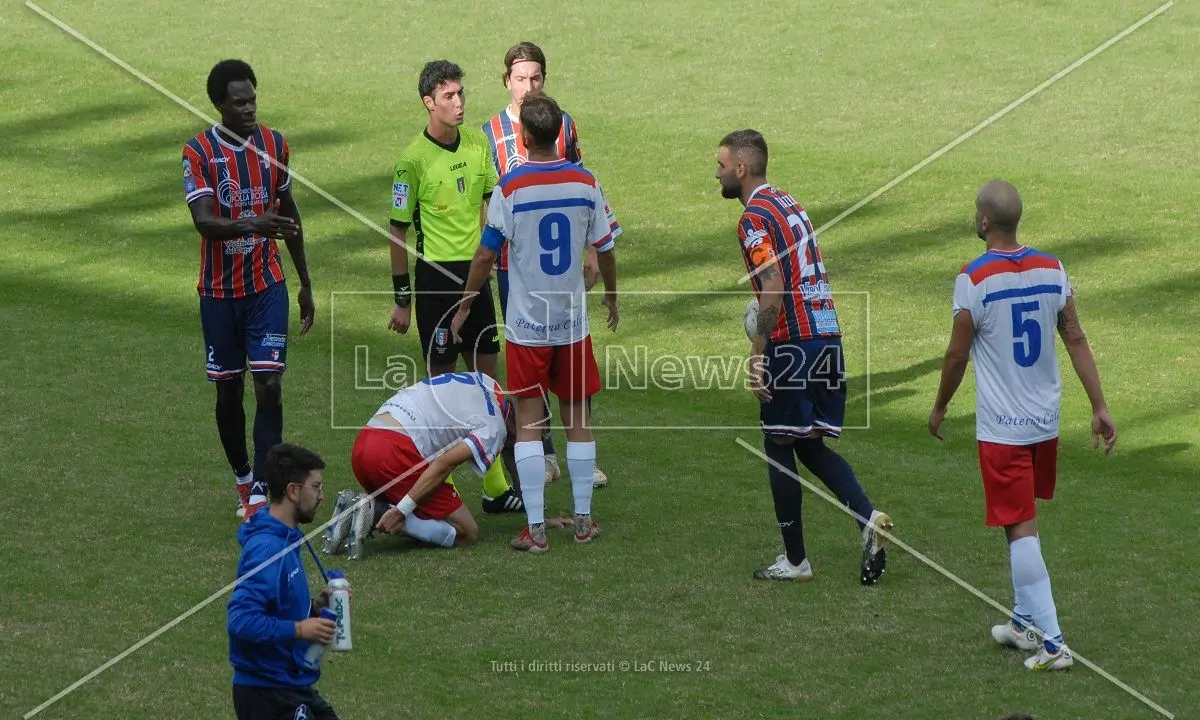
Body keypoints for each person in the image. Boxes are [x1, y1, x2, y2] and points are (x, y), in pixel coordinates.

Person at [928, 180, 1117, 671]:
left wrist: (941, 405)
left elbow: (956, 353)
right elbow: (1074, 337)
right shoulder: (1053, 268)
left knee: (1020, 528)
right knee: (1022, 517)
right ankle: (1022, 623)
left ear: (986, 222)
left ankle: (1053, 643)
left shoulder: (973, 278)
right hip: (1043, 423)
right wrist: (1099, 405)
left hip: (1003, 430)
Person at [714, 129, 892, 585]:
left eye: (720, 165)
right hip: (827, 334)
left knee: (778, 446)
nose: (716, 173)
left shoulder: (753, 218)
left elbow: (772, 283)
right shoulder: (790, 204)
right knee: (808, 443)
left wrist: (758, 352)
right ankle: (868, 518)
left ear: (740, 169)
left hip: (794, 343)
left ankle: (796, 560)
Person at [453, 93, 619, 554]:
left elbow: (487, 252)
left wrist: (468, 301)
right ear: (560, 133)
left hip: (527, 328)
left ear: (524, 136)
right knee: (578, 422)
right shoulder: (586, 182)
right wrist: (611, 294)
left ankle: (537, 529)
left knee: (528, 424)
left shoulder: (511, 187)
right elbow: (604, 248)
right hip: (571, 326)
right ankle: (584, 522)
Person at [481, 41, 622, 489]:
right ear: (506, 81)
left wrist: (592, 250)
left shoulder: (562, 125)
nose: (529, 86)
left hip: (560, 271)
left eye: (536, 78)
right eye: (521, 78)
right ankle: (542, 452)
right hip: (512, 265)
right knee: (530, 355)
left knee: (572, 352)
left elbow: (584, 186)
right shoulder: (488, 134)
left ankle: (582, 453)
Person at [386, 59, 521, 514]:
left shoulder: (479, 145)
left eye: (461, 94)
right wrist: (402, 300)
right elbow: (397, 233)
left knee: (490, 390)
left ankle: (499, 490)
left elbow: (493, 209)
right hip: (435, 283)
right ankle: (435, 494)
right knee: (443, 398)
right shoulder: (412, 161)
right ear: (429, 103)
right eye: (449, 96)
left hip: (476, 278)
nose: (459, 103)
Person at [183, 59, 315, 522]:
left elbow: (289, 214)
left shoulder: (275, 145)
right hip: (219, 293)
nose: (249, 109)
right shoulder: (198, 152)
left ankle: (262, 487)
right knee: (228, 392)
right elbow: (203, 222)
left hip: (266, 286)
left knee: (270, 385)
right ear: (219, 104)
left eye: (253, 99)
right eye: (239, 102)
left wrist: (304, 282)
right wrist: (252, 223)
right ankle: (243, 478)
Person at [326, 371, 561, 559]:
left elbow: (512, 454)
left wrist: (536, 519)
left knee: (426, 504)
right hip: (393, 451)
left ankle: (368, 506)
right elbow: (443, 463)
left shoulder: (490, 384)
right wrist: (403, 510)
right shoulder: (494, 428)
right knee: (467, 532)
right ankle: (376, 510)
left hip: (365, 442)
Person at [227, 443, 340, 720]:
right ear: (293, 491)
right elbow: (240, 621)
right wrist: (301, 629)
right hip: (266, 694)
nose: (322, 496)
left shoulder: (289, 537)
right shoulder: (267, 549)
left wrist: (315, 607)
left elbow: (277, 606)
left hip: (290, 686)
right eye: (316, 487)